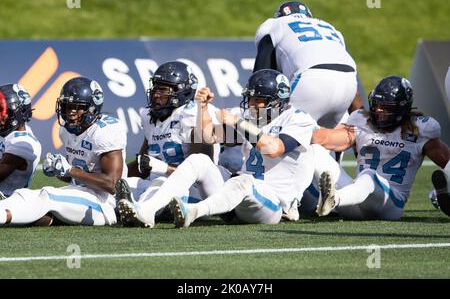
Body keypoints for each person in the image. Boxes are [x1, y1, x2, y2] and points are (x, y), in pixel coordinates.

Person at [167, 68, 318, 228]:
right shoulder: (253, 119)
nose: (251, 104)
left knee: (244, 181)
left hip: (273, 202)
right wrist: (202, 108)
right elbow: (206, 136)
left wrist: (238, 123)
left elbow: (273, 149)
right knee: (200, 161)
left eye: (258, 99)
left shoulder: (297, 118)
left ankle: (193, 211)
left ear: (277, 101)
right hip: (241, 194)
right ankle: (150, 207)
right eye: (250, 98)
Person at [312, 75, 450, 220]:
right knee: (314, 150)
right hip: (353, 201)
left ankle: (334, 199)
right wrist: (300, 132)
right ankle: (301, 202)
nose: (378, 110)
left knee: (368, 175)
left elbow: (447, 162)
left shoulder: (420, 130)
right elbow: (327, 138)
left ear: (402, 107)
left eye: (385, 107)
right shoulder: (362, 122)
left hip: (390, 204)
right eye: (376, 104)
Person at [0, 77, 127, 226]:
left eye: (77, 107)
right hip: (81, 193)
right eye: (67, 106)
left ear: (91, 108)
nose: (71, 113)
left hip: (105, 204)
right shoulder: (66, 131)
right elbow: (75, 178)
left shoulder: (104, 131)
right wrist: (60, 171)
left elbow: (112, 184)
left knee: (47, 196)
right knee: (27, 195)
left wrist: (70, 170)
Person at [115, 61, 225, 227]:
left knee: (159, 185)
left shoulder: (192, 114)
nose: (156, 94)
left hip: (191, 189)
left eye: (163, 89)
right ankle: (135, 205)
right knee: (115, 187)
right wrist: (117, 178)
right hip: (156, 183)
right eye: (156, 88)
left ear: (183, 91)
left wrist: (160, 168)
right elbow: (142, 163)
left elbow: (198, 168)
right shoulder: (149, 116)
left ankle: (143, 210)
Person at [253, 0, 359, 128]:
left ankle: (227, 139)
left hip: (311, 81)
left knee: (266, 128)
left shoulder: (274, 24)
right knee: (327, 141)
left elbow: (263, 77)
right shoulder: (331, 29)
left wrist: (257, 117)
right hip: (348, 86)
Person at [0, 84, 41, 199]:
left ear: (19, 112)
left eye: (3, 110)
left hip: (6, 202)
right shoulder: (17, 132)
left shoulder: (23, 144)